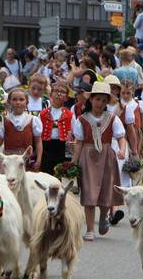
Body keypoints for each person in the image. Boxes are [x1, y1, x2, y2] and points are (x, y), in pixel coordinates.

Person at [72, 81, 126, 241]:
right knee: (88, 192)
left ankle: (103, 217)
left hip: (107, 156)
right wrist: (74, 162)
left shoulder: (113, 119)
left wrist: (122, 149)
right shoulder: (82, 119)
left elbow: (121, 136)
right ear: (91, 99)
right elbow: (79, 142)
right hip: (88, 157)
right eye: (97, 99)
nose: (100, 103)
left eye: (104, 101)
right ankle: (89, 229)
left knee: (105, 191)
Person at [0, 88, 43, 170]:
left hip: (27, 161)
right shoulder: (4, 120)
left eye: (21, 99)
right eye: (14, 99)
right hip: (9, 161)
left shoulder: (33, 120)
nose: (18, 102)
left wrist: (39, 159)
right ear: (9, 102)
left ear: (27, 102)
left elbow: (38, 141)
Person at [39, 82, 72, 174]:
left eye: (62, 92)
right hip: (46, 146)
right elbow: (38, 134)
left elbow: (74, 134)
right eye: (56, 91)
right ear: (50, 94)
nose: (59, 94)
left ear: (66, 98)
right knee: (46, 172)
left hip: (63, 147)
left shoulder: (70, 115)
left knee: (61, 173)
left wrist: (70, 153)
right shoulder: (42, 114)